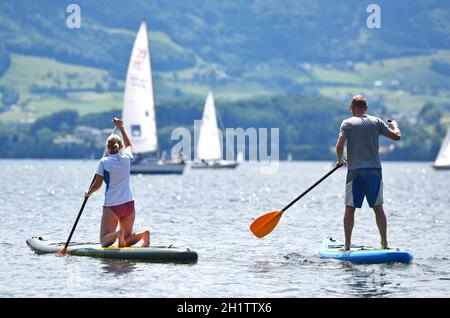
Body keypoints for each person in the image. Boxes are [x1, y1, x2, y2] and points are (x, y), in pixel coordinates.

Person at [335, 95, 401, 251]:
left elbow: (339, 145)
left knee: (350, 208)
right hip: (374, 171)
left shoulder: (347, 123)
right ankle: (384, 243)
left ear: (352, 107)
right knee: (378, 207)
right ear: (365, 108)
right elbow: (397, 136)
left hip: (355, 172)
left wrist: (340, 160)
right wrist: (395, 125)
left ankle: (347, 246)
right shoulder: (376, 121)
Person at [85, 118, 150, 248]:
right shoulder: (127, 158)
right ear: (120, 147)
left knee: (104, 241)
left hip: (112, 206)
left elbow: (97, 184)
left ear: (108, 148)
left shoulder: (104, 162)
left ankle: (118, 233)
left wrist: (88, 193)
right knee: (125, 241)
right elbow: (129, 146)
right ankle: (143, 235)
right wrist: (121, 127)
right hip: (129, 205)